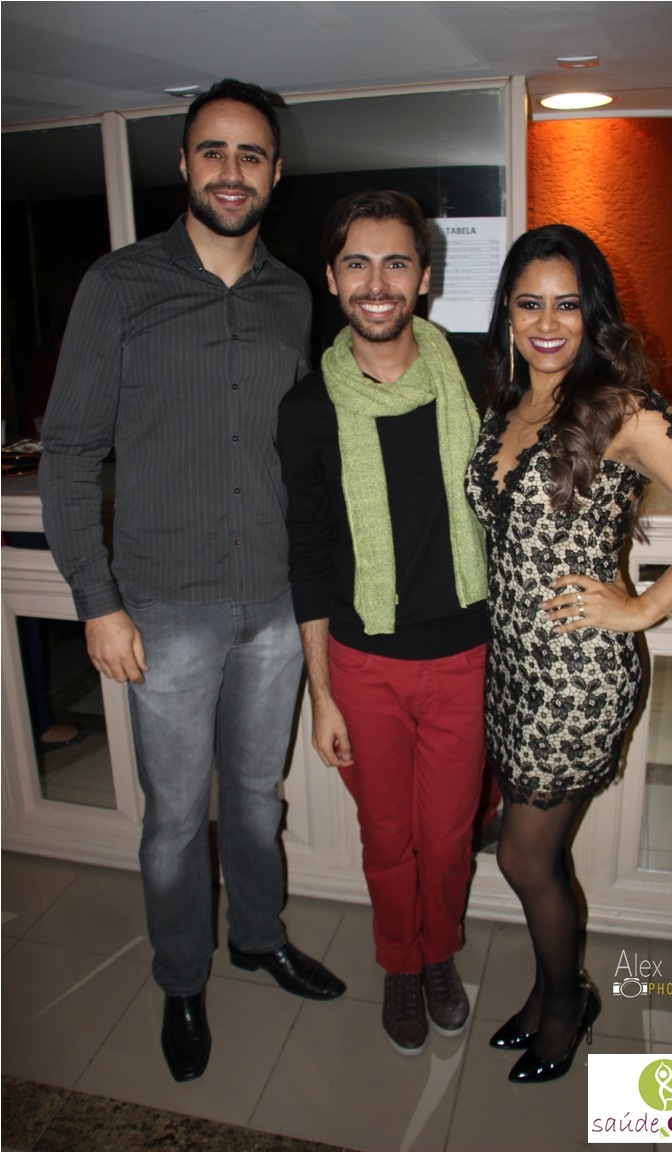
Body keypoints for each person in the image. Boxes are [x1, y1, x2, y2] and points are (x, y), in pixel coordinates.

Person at [38, 78, 345, 1084]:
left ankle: (258, 935)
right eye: (213, 150)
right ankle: (181, 978)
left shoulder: (292, 295)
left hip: (273, 602)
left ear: (275, 172)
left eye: (251, 154)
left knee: (256, 797)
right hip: (163, 607)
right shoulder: (119, 285)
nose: (231, 171)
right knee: (175, 819)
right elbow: (69, 452)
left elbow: (300, 449)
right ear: (182, 164)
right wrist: (96, 602)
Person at [465, 224, 672, 1084]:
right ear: (508, 312)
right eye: (530, 303)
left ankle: (567, 1007)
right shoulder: (507, 406)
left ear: (592, 314)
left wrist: (641, 607)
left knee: (523, 856)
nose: (547, 322)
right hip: (512, 669)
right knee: (535, 854)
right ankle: (550, 991)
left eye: (567, 304)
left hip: (578, 676)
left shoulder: (620, 408)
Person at [277, 190, 489, 1055]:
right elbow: (307, 557)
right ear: (331, 279)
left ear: (425, 277)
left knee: (447, 838)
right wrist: (322, 694)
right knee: (387, 838)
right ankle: (403, 963)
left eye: (396, 262)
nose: (377, 282)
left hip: (465, 657)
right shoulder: (307, 408)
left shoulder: (475, 374)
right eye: (357, 263)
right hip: (362, 664)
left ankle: (440, 951)